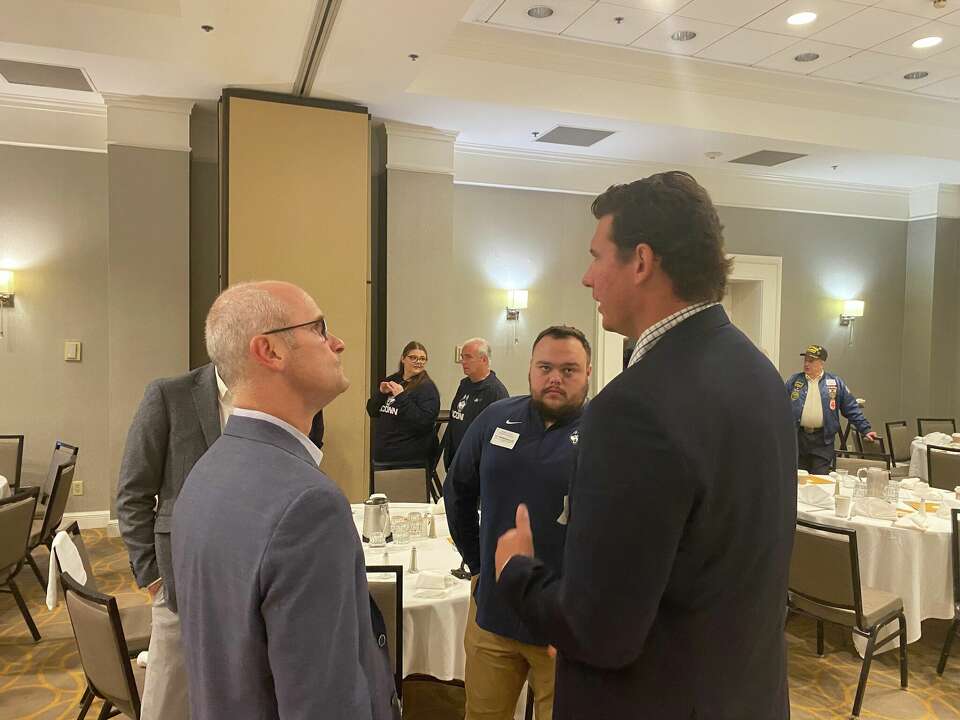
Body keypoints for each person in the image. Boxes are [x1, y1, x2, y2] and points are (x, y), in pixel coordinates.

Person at [494, 172, 796, 719]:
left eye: (596, 256)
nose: (587, 277)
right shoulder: (760, 374)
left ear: (641, 261)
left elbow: (600, 632)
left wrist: (517, 572)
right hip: (745, 693)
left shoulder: (633, 407)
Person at [172, 281, 398, 720]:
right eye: (319, 329)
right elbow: (325, 704)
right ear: (270, 351)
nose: (338, 342)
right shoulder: (308, 504)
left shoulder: (206, 471)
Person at [445, 326, 589, 720]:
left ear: (588, 374)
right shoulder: (496, 418)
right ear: (530, 369)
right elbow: (458, 491)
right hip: (494, 616)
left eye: (569, 369)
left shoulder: (604, 433)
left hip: (562, 627)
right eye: (545, 367)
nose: (555, 378)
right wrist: (479, 564)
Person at [116, 361, 229, 720]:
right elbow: (133, 493)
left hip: (255, 578)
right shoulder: (169, 395)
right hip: (179, 581)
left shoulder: (275, 395)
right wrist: (153, 576)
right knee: (168, 703)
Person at [786, 344, 877, 474]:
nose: (806, 364)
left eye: (811, 361)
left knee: (820, 479)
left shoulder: (835, 383)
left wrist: (865, 429)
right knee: (799, 479)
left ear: (821, 363)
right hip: (799, 439)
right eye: (805, 360)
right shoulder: (794, 381)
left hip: (822, 441)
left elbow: (851, 408)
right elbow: (781, 406)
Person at [366, 341, 440, 464]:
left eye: (422, 359)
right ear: (403, 359)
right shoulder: (392, 380)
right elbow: (372, 411)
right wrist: (381, 394)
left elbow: (424, 422)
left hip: (408, 458)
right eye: (413, 357)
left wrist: (402, 397)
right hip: (383, 455)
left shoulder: (427, 388)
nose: (418, 362)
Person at [444, 337, 509, 470]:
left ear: (484, 359)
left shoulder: (496, 392)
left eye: (468, 357)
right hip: (456, 461)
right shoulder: (464, 385)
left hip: (476, 467)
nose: (463, 362)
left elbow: (499, 437)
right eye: (462, 357)